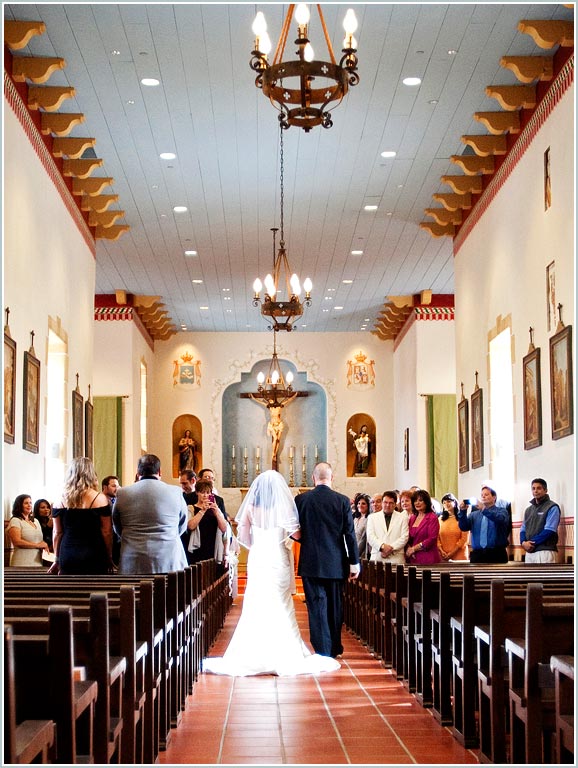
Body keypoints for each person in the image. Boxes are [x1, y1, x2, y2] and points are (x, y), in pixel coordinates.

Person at [203, 470, 340, 676]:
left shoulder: (249, 508)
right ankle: (285, 649)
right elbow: (297, 534)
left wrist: (259, 545)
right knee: (282, 602)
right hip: (278, 558)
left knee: (256, 602)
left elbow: (244, 537)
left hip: (258, 558)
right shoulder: (283, 508)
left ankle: (254, 650)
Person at [295, 462, 360, 658]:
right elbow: (350, 534)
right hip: (336, 562)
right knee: (335, 605)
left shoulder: (301, 500)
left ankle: (322, 649)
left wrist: (307, 538)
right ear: (332, 478)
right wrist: (354, 562)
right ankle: (334, 647)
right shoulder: (341, 501)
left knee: (316, 606)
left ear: (313, 478)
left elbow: (294, 532)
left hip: (311, 562)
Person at [113, 453, 188, 574]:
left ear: (138, 473)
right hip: (168, 558)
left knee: (133, 593)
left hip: (133, 559)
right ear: (160, 472)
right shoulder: (175, 492)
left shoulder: (123, 493)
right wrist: (170, 534)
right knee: (170, 592)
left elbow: (117, 525)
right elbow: (182, 524)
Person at [48, 458, 114, 575]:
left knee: (68, 591)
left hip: (68, 553)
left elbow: (57, 533)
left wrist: (56, 559)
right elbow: (106, 532)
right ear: (91, 474)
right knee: (96, 590)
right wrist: (109, 556)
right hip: (95, 553)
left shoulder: (60, 500)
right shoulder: (100, 499)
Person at [183, 478, 229, 572]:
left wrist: (216, 512)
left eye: (208, 493)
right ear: (197, 493)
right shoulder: (191, 508)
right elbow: (190, 526)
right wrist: (202, 511)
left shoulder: (215, 509)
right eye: (202, 492)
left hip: (212, 545)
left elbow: (224, 528)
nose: (205, 495)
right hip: (197, 547)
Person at [458, 485, 510, 564]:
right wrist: (462, 511)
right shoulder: (474, 515)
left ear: (494, 497)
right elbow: (463, 527)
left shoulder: (502, 511)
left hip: (496, 554)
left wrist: (483, 509)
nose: (483, 497)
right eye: (482, 495)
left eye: (486, 495)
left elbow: (499, 519)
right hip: (477, 554)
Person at [519, 478, 561, 563]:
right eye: (533, 488)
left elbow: (549, 530)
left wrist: (531, 543)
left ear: (545, 490)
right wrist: (523, 542)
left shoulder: (552, 507)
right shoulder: (528, 510)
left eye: (539, 488)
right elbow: (523, 529)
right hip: (529, 552)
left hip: (545, 551)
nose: (536, 491)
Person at [367, 490, 409, 564]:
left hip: (396, 557)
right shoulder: (372, 517)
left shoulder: (402, 517)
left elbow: (404, 537)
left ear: (395, 504)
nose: (387, 505)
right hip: (378, 556)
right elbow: (370, 536)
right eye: (385, 502)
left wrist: (391, 548)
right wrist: (382, 547)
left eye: (391, 503)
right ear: (382, 503)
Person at [7, 494, 48, 566]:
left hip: (38, 562)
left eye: (30, 503)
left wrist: (44, 544)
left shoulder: (36, 521)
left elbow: (38, 539)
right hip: (22, 562)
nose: (29, 505)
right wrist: (37, 545)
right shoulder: (15, 520)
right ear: (19, 505)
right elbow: (17, 542)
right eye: (26, 503)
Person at [405, 489, 441, 564]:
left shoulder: (432, 517)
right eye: (415, 501)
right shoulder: (413, 518)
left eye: (420, 500)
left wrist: (414, 549)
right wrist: (408, 548)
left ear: (426, 502)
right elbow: (407, 536)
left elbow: (432, 538)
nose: (417, 503)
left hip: (428, 557)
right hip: (413, 557)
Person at [437, 493, 468, 561]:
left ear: (455, 502)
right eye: (444, 503)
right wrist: (441, 551)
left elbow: (464, 539)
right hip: (443, 555)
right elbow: (437, 538)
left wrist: (452, 553)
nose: (446, 504)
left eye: (449, 501)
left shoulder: (462, 518)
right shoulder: (440, 519)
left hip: (459, 555)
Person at [102, 475, 121, 565]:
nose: (117, 488)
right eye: (113, 486)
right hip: (104, 543)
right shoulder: (100, 502)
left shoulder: (117, 501)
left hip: (117, 542)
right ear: (105, 487)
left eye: (118, 486)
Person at [352, 493, 371, 560]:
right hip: (352, 550)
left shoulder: (369, 519)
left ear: (368, 506)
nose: (360, 505)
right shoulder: (355, 519)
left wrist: (356, 553)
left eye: (363, 503)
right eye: (358, 503)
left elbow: (364, 538)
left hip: (361, 554)